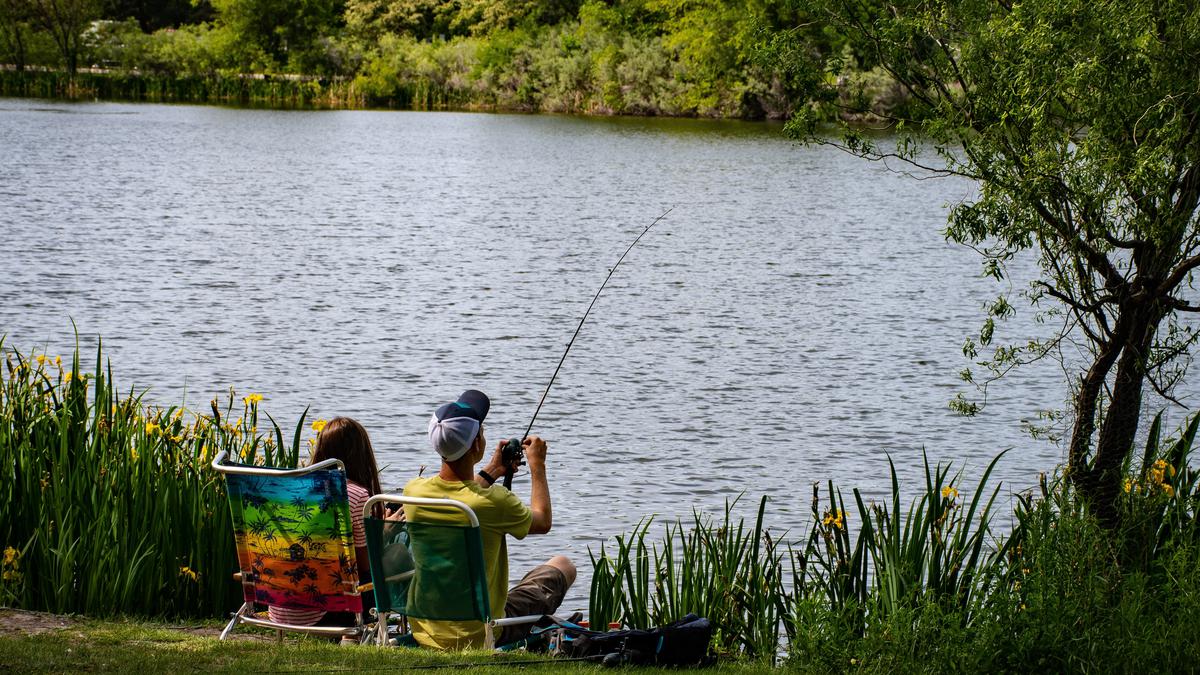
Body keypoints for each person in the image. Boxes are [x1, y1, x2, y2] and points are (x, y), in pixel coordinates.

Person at [403, 389, 575, 650]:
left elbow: (463, 497)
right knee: (563, 565)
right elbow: (542, 521)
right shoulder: (494, 502)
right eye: (481, 430)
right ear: (475, 445)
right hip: (480, 631)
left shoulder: (414, 492)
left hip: (426, 628)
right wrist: (538, 465)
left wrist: (493, 470)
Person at [268, 416, 384, 628]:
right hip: (327, 613)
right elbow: (365, 564)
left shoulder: (292, 490)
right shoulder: (356, 496)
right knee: (388, 562)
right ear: (362, 455)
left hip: (280, 608)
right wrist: (385, 532)